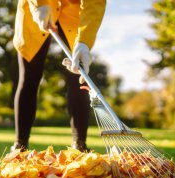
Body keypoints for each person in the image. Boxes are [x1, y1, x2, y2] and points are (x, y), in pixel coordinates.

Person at [12, 0, 106, 152]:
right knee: (29, 77)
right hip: (36, 10)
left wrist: (84, 42)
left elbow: (95, 3)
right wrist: (39, 4)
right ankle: (19, 145)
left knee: (78, 76)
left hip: (73, 15)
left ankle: (79, 144)